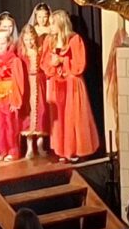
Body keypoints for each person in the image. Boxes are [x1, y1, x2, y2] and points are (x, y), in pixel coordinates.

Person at [41, 10, 99, 162]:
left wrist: (62, 61)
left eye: (53, 24)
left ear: (61, 24)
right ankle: (62, 150)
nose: (50, 27)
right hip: (56, 82)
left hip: (72, 83)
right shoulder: (49, 40)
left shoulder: (74, 39)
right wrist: (52, 65)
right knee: (59, 117)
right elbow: (44, 62)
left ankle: (74, 150)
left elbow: (79, 65)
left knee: (73, 117)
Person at [0, 24, 25, 161]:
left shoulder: (14, 60)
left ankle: (13, 151)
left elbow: (18, 81)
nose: (0, 46)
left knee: (10, 124)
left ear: (8, 43)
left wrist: (16, 100)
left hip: (9, 95)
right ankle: (1, 151)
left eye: (3, 43)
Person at [17, 23, 48, 158]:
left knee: (41, 111)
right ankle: (29, 147)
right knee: (28, 112)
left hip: (39, 83)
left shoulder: (40, 51)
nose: (29, 42)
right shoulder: (21, 53)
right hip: (27, 84)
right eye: (26, 39)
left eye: (31, 39)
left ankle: (40, 146)